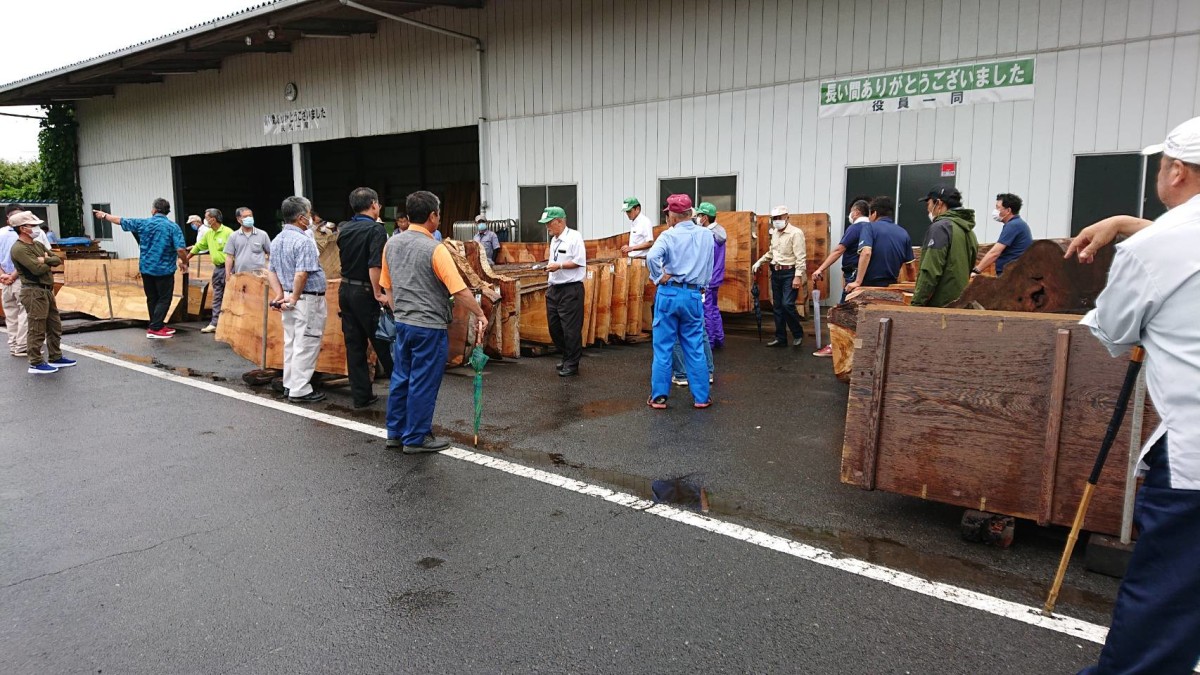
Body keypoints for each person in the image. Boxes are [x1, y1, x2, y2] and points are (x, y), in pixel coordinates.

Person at [1067, 116, 1200, 675]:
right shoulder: (1160, 240)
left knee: (1165, 603)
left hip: (1194, 458)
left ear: (1176, 170)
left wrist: (1132, 237)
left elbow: (1114, 331)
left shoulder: (1155, 248)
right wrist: (1126, 223)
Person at [379, 190, 488, 453]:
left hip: (403, 322)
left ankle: (396, 432)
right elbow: (459, 290)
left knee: (401, 377)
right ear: (432, 216)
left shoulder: (391, 244)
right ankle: (416, 437)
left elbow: (387, 286)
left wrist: (399, 312)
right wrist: (480, 313)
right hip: (428, 325)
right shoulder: (435, 249)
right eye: (438, 214)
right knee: (423, 381)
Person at [646, 194, 714, 409]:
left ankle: (659, 397)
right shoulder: (706, 235)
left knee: (663, 347)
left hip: (669, 293)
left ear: (673, 216)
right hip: (693, 294)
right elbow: (709, 265)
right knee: (694, 346)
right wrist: (703, 286)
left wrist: (658, 277)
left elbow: (651, 257)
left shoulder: (668, 235)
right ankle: (701, 397)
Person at [93, 199, 188, 338]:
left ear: (154, 210)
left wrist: (104, 215)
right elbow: (180, 249)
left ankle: (155, 324)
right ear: (167, 211)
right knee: (164, 298)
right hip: (164, 270)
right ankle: (155, 328)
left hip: (146, 268)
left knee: (152, 298)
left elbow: (121, 221)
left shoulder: (143, 223)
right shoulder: (173, 227)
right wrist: (184, 262)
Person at [337, 187, 395, 409]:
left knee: (354, 345)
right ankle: (401, 394)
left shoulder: (345, 229)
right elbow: (374, 265)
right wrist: (378, 293)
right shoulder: (376, 230)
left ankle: (361, 396)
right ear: (373, 205)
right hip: (365, 292)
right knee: (383, 341)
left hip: (345, 289)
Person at [267, 196, 328, 404]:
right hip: (306, 298)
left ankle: (290, 383)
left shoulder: (277, 239)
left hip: (287, 296)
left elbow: (271, 271)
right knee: (307, 343)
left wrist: (280, 294)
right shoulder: (304, 241)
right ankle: (300, 389)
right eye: (309, 214)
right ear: (302, 218)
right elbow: (302, 273)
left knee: (291, 341)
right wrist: (293, 297)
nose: (311, 218)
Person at [8, 211, 75, 374]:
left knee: (54, 325)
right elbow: (36, 269)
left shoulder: (37, 245)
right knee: (36, 328)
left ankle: (55, 356)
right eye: (32, 225)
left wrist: (44, 259)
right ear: (23, 228)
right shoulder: (19, 249)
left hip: (46, 290)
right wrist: (46, 262)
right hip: (33, 291)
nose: (36, 228)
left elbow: (57, 259)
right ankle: (35, 362)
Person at [911, 185, 978, 307]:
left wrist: (917, 303)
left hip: (940, 305)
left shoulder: (940, 228)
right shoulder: (969, 231)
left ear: (939, 204)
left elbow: (930, 270)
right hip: (960, 303)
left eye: (928, 204)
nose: (928, 209)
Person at [541, 205, 587, 376]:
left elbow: (579, 261)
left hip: (570, 288)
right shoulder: (554, 240)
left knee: (571, 329)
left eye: (549, 223)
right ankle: (567, 355)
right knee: (555, 327)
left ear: (559, 221)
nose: (547, 227)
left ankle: (572, 363)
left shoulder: (575, 237)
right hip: (554, 288)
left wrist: (559, 266)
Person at [751, 205, 807, 347]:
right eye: (774, 218)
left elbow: (800, 257)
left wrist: (798, 276)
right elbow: (772, 252)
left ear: (787, 217)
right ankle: (780, 337)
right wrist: (760, 262)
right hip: (776, 272)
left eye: (779, 217)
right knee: (777, 306)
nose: (777, 220)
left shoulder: (796, 233)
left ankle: (797, 333)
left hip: (790, 273)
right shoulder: (775, 233)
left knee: (787, 304)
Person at [183, 208, 233, 334]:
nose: (205, 220)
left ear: (213, 219)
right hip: (218, 269)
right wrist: (186, 259)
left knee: (232, 296)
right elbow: (198, 246)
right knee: (217, 296)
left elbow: (236, 251)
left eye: (206, 217)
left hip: (230, 269)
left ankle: (231, 324)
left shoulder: (228, 232)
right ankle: (215, 323)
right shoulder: (209, 233)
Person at [813, 199, 871, 303]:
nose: (850, 215)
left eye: (851, 212)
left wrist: (820, 269)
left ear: (856, 212)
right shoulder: (873, 227)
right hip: (869, 273)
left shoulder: (855, 228)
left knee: (846, 306)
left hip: (854, 273)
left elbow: (839, 250)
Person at [973, 193, 1033, 277]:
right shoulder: (1018, 224)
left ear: (1008, 210)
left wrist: (976, 270)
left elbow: (994, 253)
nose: (995, 211)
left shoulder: (1013, 225)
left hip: (1012, 275)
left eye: (998, 208)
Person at [695, 201, 726, 348]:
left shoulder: (707, 235)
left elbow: (703, 259)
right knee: (713, 307)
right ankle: (718, 338)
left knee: (706, 309)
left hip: (707, 279)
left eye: (699, 215)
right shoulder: (719, 232)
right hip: (717, 277)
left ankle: (710, 341)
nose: (697, 218)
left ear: (705, 217)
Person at [0, 215, 28, 357]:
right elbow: (27, 260)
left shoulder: (1, 233)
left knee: (11, 314)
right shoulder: (27, 235)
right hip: (20, 279)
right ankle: (22, 345)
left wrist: (3, 276)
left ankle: (13, 344)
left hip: (4, 280)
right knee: (25, 312)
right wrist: (13, 276)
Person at [223, 207, 271, 275]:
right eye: (245, 216)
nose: (249, 218)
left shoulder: (263, 234)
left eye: (250, 216)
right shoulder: (233, 236)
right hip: (241, 275)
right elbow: (229, 257)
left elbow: (270, 254)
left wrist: (270, 271)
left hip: (259, 276)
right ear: (238, 219)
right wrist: (227, 274)